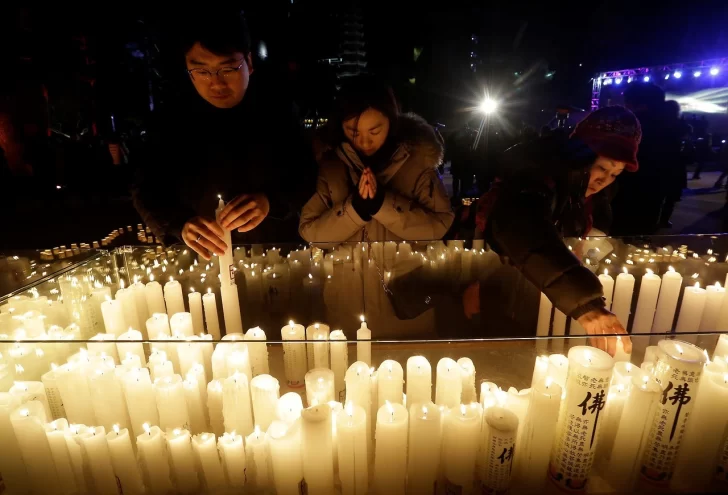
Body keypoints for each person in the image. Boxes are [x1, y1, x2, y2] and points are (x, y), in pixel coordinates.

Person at [133, 10, 317, 259]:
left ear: (249, 63)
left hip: (276, 251)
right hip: (206, 257)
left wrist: (269, 201)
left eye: (227, 69)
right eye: (201, 71)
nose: (216, 83)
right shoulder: (172, 119)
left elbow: (305, 172)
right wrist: (179, 225)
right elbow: (147, 187)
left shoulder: (277, 108)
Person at [474, 106, 642, 355]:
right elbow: (523, 228)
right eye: (603, 168)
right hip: (503, 294)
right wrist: (584, 301)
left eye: (615, 174)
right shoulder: (539, 175)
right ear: (581, 157)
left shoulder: (591, 199)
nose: (604, 180)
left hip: (544, 297)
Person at [299, 76, 454, 242]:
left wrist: (383, 204)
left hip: (404, 268)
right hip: (347, 267)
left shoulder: (416, 160)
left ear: (391, 121)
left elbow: (440, 224)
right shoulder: (331, 165)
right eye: (354, 132)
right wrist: (355, 210)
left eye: (374, 132)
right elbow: (309, 230)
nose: (364, 142)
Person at [610, 83, 668, 235]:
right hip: (653, 193)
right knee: (640, 238)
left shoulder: (628, 125)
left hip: (623, 193)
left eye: (627, 101)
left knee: (615, 238)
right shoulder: (668, 126)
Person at [659, 100, 690, 228]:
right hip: (675, 165)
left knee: (656, 196)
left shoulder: (658, 124)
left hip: (659, 164)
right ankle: (664, 220)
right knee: (671, 197)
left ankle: (654, 220)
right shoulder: (681, 126)